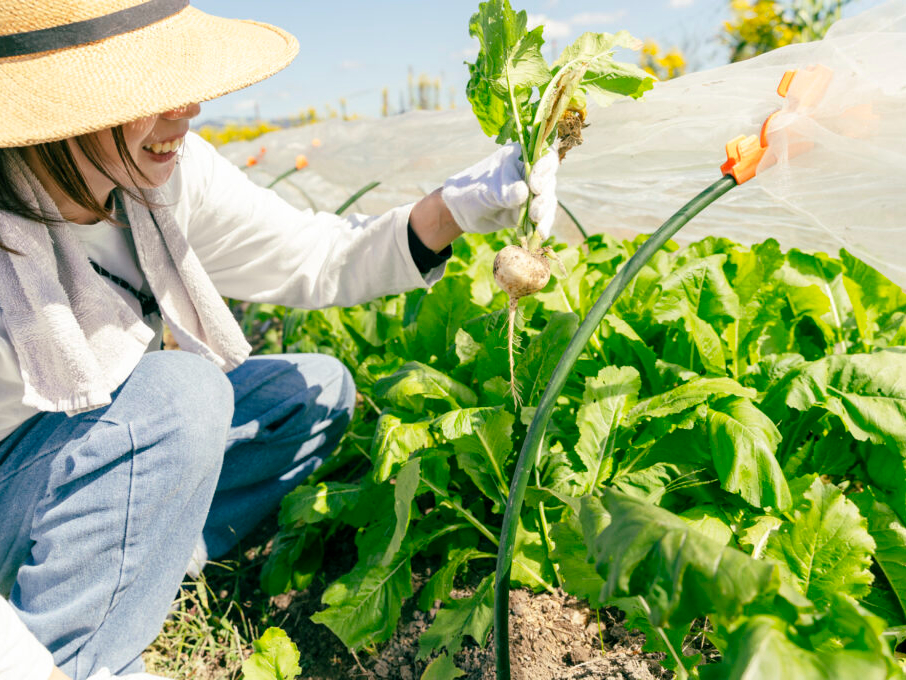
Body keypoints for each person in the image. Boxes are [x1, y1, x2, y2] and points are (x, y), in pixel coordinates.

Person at [0, 2, 560, 680]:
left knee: (313, 394)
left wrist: (455, 208)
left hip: (96, 455)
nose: (189, 109)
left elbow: (314, 257)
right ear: (64, 110)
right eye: (146, 91)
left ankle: (124, 575)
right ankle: (81, 651)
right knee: (181, 396)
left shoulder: (165, 182)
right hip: (16, 489)